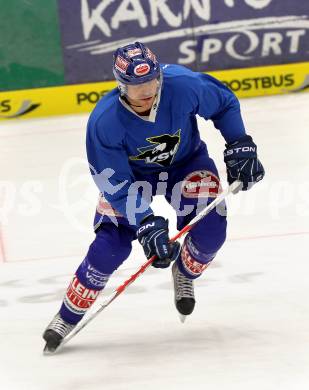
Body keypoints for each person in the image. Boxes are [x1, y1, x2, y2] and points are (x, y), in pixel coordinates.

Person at [43, 42, 265, 352]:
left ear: (160, 75)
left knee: (213, 228)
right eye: (137, 86)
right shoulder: (104, 121)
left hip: (186, 164)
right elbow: (115, 182)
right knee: (109, 248)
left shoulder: (183, 86)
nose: (147, 91)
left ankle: (184, 272)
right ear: (121, 87)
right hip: (132, 179)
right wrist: (145, 221)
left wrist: (240, 143)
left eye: (152, 81)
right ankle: (67, 315)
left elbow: (224, 102)